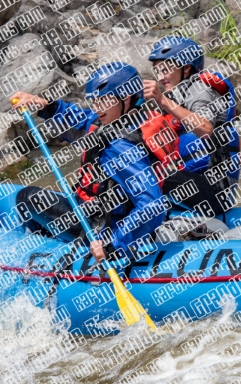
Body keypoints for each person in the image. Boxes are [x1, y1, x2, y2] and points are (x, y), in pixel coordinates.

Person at [9, 63, 173, 263]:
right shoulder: (130, 121)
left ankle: (44, 248)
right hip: (103, 212)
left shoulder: (121, 148)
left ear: (126, 98)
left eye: (104, 100)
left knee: (26, 196)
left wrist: (113, 245)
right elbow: (80, 121)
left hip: (100, 226)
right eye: (95, 101)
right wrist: (43, 104)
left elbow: (152, 204)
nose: (97, 107)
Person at [145, 36, 240, 217]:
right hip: (193, 185)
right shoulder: (177, 97)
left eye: (165, 69)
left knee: (149, 180)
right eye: (157, 71)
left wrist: (162, 101)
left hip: (215, 193)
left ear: (186, 67)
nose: (160, 77)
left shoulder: (200, 91)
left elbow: (205, 129)